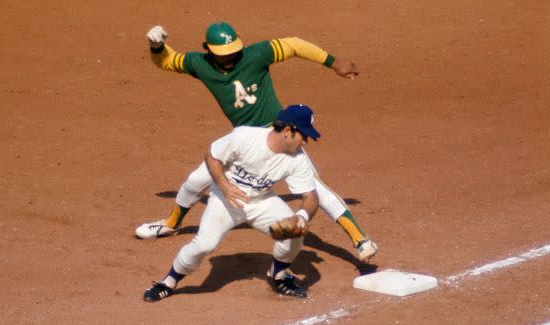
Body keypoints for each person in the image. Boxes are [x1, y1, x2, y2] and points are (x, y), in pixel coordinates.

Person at [136, 22, 378, 263]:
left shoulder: (256, 54)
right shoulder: (200, 64)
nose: (230, 58)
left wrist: (334, 63)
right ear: (208, 50)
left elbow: (294, 45)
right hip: (243, 142)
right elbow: (168, 61)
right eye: (223, 55)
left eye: (233, 52)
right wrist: (157, 47)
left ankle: (360, 240)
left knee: (315, 190)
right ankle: (171, 224)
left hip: (278, 136)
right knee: (196, 180)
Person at [144, 105, 321, 302]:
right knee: (204, 245)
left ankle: (278, 274)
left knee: (294, 234)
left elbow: (311, 197)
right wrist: (224, 185)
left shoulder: (298, 159)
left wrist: (302, 217)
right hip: (226, 200)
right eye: (304, 135)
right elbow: (212, 156)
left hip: (261, 202)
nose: (306, 141)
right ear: (288, 131)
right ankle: (167, 282)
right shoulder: (245, 137)